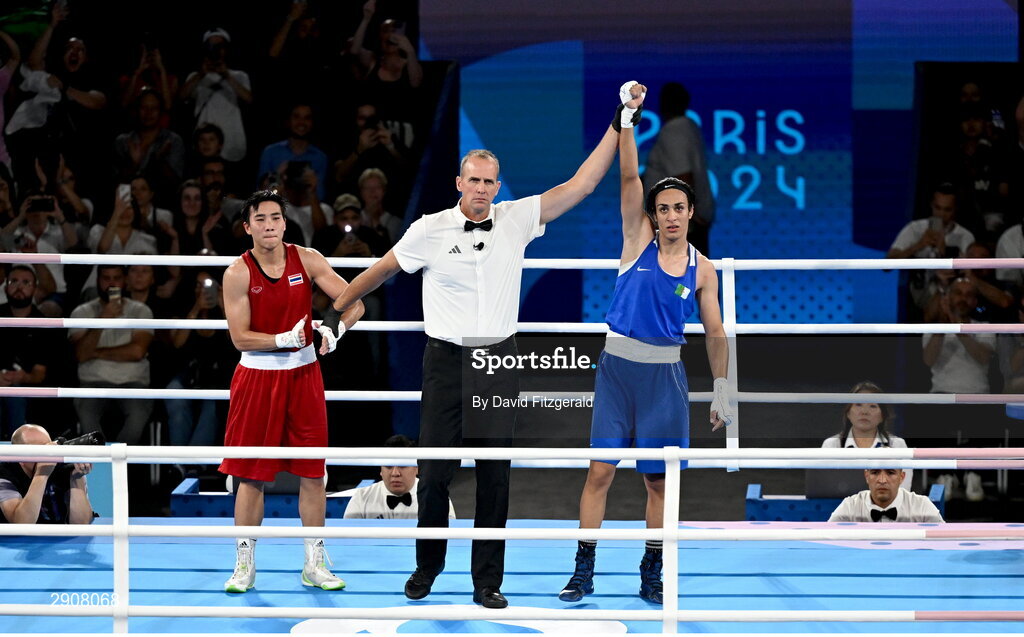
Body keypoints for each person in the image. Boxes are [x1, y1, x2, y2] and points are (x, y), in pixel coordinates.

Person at [330, 84, 623, 610]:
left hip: (497, 359)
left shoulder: (516, 219)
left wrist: (620, 119)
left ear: (497, 184)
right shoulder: (430, 229)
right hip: (444, 360)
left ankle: (488, 580)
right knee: (435, 472)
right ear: (458, 182)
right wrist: (336, 311)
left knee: (494, 474)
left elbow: (583, 184)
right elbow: (381, 271)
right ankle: (428, 567)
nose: (482, 188)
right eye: (474, 180)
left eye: (490, 181)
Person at [558, 82, 734, 606]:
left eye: (680, 207)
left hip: (666, 382)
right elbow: (629, 175)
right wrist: (628, 117)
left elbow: (717, 332)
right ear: (654, 215)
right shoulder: (635, 240)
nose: (673, 215)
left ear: (690, 212)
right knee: (599, 473)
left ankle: (651, 570)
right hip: (616, 373)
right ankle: (582, 570)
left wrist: (723, 391)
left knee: (659, 485)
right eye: (665, 208)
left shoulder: (704, 270)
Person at [217, 190, 363, 594]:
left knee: (313, 473)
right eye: (260, 219)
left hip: (304, 378)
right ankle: (244, 563)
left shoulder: (309, 259)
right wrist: (283, 338)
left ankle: (314, 562)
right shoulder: (237, 273)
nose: (269, 226)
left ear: (285, 222)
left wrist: (337, 329)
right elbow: (239, 337)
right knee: (250, 476)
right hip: (258, 379)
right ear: (247, 227)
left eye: (275, 218)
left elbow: (355, 302)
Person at [69, 264, 154, 444]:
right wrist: (103, 319)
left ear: (125, 281)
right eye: (106, 278)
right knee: (86, 410)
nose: (111, 283)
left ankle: (118, 461)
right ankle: (101, 463)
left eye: (116, 278)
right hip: (92, 382)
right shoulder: (81, 312)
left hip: (133, 382)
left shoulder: (141, 311)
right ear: (98, 281)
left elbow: (137, 351)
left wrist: (96, 352)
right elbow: (81, 354)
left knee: (138, 414)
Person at [642, 82, 715, 256]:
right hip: (685, 225)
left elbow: (683, 176)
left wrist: (691, 218)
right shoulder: (688, 127)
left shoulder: (675, 130)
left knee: (683, 280)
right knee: (684, 279)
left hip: (682, 230)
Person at [0, 267, 59, 436]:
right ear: (5, 287)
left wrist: (23, 377)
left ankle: (17, 456)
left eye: (26, 282)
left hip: (28, 389)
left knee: (15, 395)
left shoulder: (43, 325)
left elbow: (40, 373)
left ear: (35, 288)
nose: (19, 287)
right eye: (14, 281)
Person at [822, 381, 912, 490]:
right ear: (848, 413)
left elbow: (903, 489)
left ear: (882, 416)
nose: (864, 411)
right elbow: (825, 488)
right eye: (858, 404)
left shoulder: (897, 445)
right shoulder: (831, 445)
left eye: (872, 406)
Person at [343, 435, 455, 520]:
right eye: (388, 466)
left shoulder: (436, 497)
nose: (395, 473)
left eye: (402, 466)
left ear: (417, 468)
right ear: (380, 470)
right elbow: (345, 542)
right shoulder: (361, 497)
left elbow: (452, 543)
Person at [0, 424, 94, 524]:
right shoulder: (5, 473)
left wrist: (76, 478)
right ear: (19, 458)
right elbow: (21, 524)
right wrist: (41, 474)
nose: (48, 455)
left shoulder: (65, 465)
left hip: (59, 536)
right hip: (20, 539)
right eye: (39, 451)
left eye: (48, 447)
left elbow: (81, 524)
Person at [827, 469, 944, 523]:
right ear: (866, 476)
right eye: (875, 472)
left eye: (890, 472)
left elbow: (946, 544)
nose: (882, 480)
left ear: (902, 477)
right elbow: (825, 543)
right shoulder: (850, 506)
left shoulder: (922, 506)